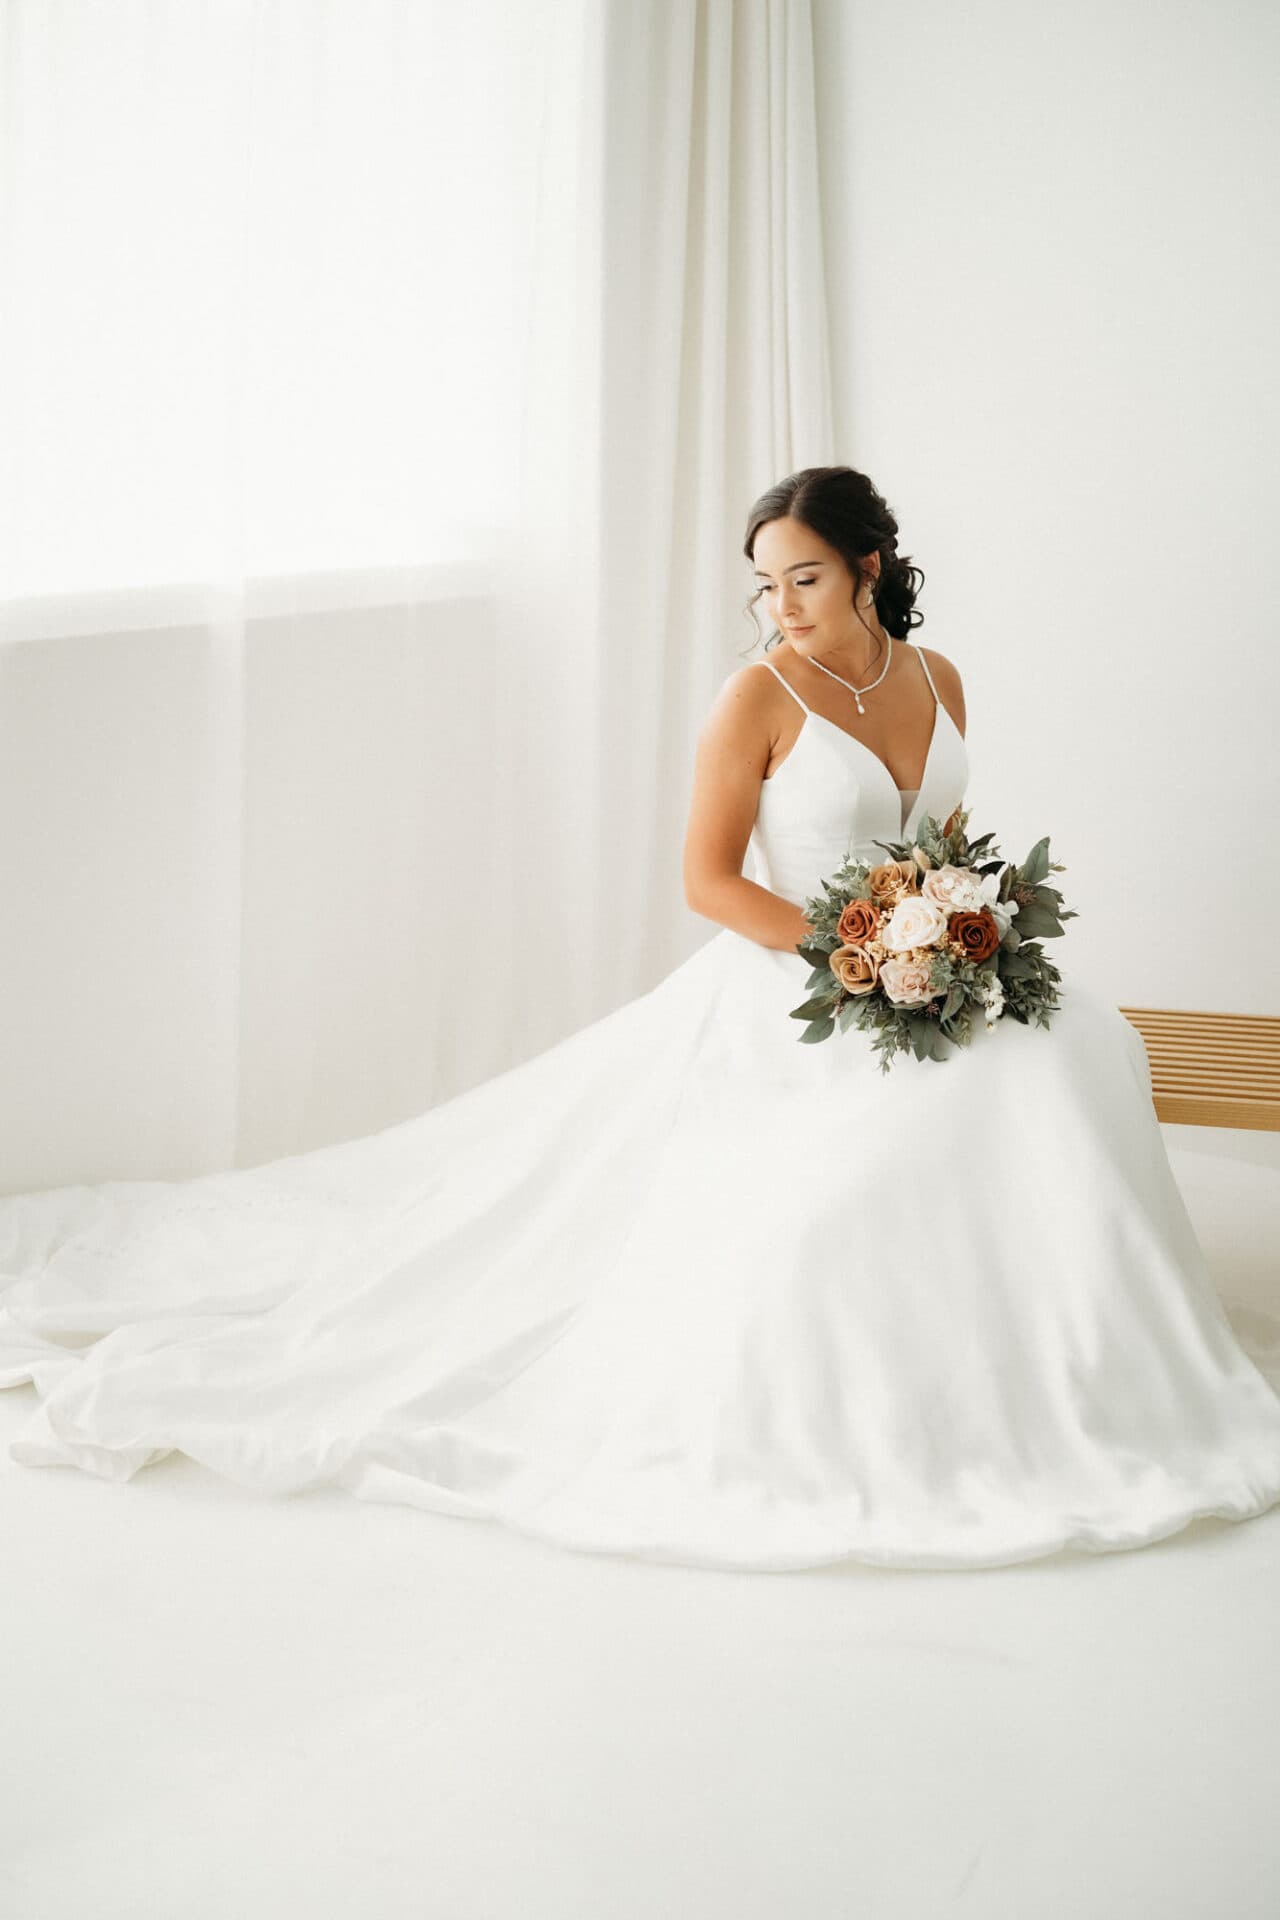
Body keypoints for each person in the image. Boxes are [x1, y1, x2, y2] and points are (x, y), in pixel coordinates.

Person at [3, 465, 1279, 1574]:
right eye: (763, 588)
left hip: (925, 963)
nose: (779, 609)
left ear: (868, 568)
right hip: (804, 978)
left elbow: (937, 840)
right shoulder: (757, 696)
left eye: (803, 582)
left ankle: (1066, 1369)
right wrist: (854, 952)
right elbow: (708, 880)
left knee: (1074, 1056)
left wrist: (952, 927)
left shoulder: (938, 675)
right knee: (882, 1145)